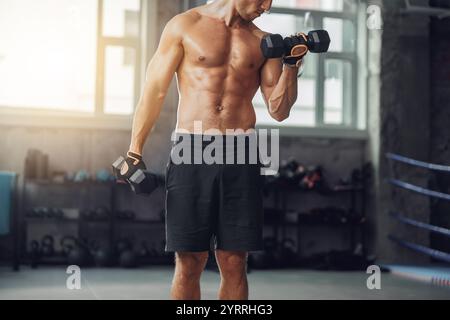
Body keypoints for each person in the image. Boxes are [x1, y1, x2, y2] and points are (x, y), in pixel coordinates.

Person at [121, 0, 307, 300]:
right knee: (190, 261)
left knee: (234, 261)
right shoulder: (184, 25)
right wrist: (134, 150)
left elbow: (279, 110)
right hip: (192, 149)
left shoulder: (264, 42)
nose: (266, 7)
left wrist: (290, 66)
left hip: (241, 151)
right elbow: (154, 91)